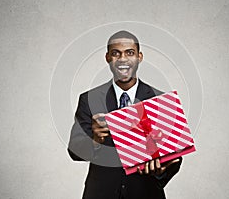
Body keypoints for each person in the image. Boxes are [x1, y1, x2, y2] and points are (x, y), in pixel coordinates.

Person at [68, 30, 183, 199]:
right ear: (108, 58)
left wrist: (162, 169)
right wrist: (94, 140)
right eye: (116, 53)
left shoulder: (161, 101)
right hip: (101, 194)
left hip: (145, 193)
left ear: (139, 57)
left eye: (130, 53)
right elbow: (74, 151)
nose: (123, 59)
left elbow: (174, 156)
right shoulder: (89, 99)